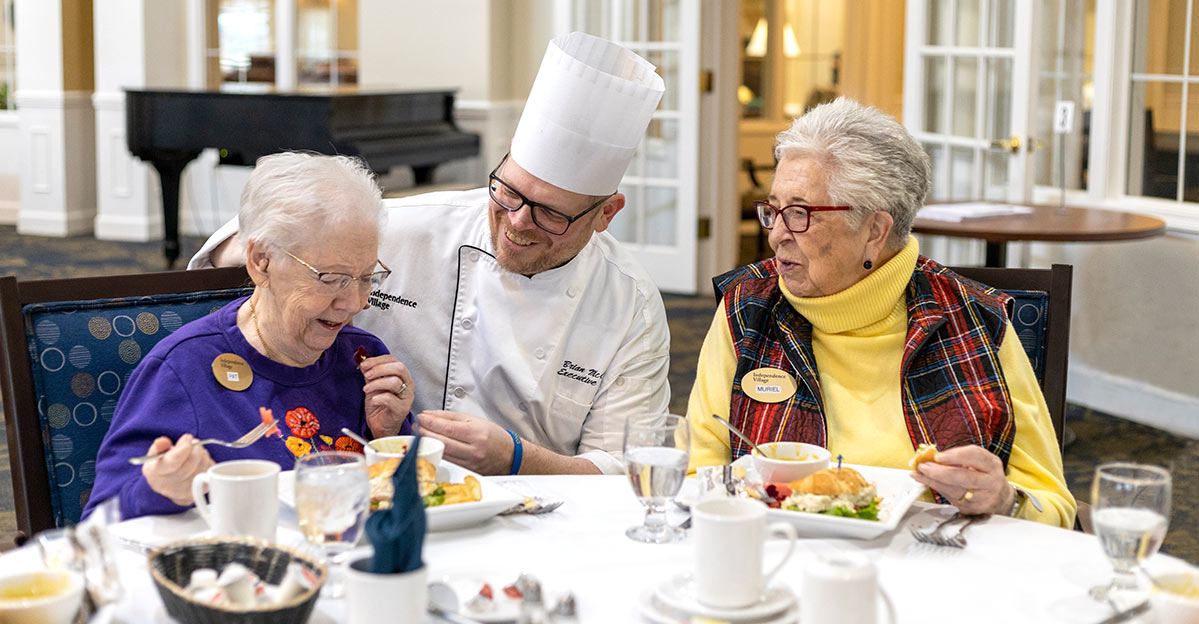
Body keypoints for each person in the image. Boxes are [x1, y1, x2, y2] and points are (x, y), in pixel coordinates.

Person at [189, 32, 670, 476]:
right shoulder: (413, 228)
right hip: (382, 485)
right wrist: (273, 263)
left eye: (551, 215)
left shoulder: (630, 306)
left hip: (539, 509)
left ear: (606, 213)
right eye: (508, 192)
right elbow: (254, 237)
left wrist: (517, 458)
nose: (519, 222)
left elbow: (625, 472)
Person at [686, 98, 1076, 528]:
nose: (777, 234)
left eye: (799, 214)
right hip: (779, 559)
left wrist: (1004, 500)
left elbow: (1052, 506)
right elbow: (696, 476)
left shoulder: (975, 320)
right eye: (773, 210)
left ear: (874, 231)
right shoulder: (747, 310)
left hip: (933, 571)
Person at [84, 153, 414, 519]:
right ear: (261, 261)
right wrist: (159, 490)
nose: (354, 302)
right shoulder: (184, 370)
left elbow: (409, 501)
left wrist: (389, 433)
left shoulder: (364, 359)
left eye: (366, 277)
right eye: (330, 278)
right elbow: (101, 517)